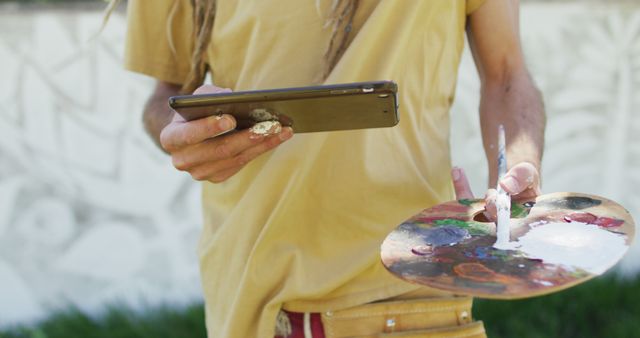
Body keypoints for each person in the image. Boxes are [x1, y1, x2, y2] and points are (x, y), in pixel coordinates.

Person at [122, 0, 545, 336]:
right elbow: (166, 96)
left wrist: (518, 168)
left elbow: (507, 73)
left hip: (410, 284)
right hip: (248, 290)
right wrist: (182, 131)